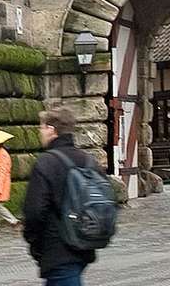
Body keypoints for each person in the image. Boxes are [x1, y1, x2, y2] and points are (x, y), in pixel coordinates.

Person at [21, 107, 99, 286]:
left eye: (41, 128)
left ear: (51, 129)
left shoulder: (46, 162)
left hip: (57, 249)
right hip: (84, 245)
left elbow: (34, 211)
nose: (40, 132)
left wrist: (35, 244)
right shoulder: (88, 160)